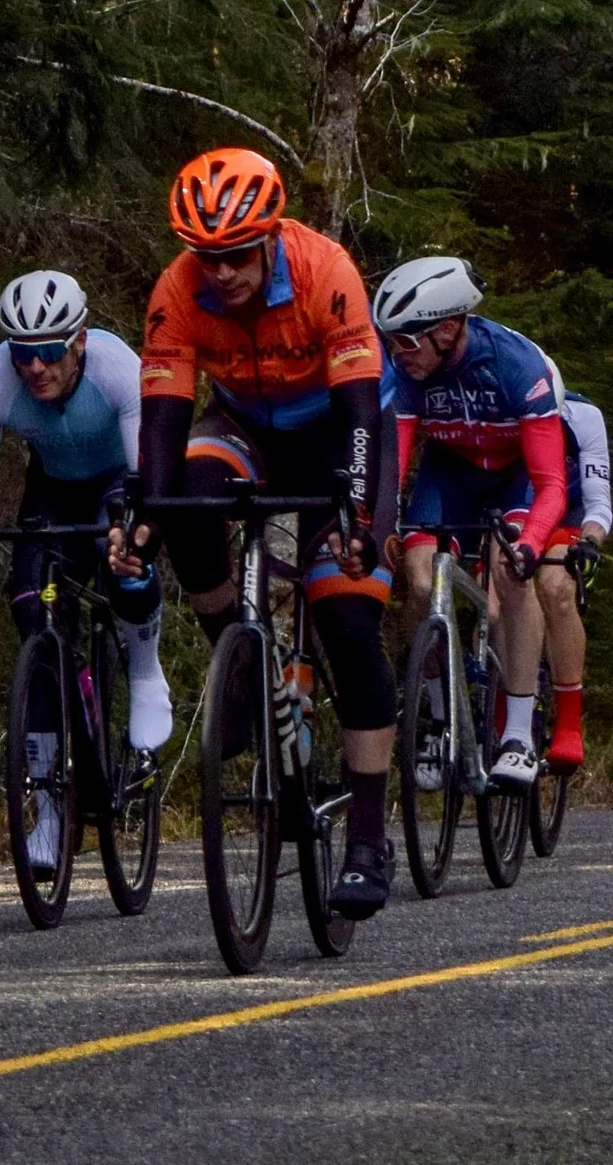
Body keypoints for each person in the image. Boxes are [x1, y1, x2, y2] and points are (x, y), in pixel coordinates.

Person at [112, 148, 399, 919]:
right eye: (207, 256)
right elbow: (164, 419)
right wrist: (147, 522)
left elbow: (361, 411)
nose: (222, 272)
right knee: (187, 506)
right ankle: (236, 665)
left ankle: (367, 841)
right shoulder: (178, 289)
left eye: (237, 255)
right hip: (244, 425)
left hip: (342, 434)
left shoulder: (324, 270)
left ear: (270, 236)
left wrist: (358, 516)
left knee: (348, 618)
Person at [0, 271, 168, 872]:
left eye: (50, 351)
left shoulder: (118, 368)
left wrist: (136, 535)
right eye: (22, 353)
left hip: (118, 483)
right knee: (35, 617)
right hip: (52, 491)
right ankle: (51, 813)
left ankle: (144, 673)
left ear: (79, 340)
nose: (34, 367)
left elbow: (147, 478)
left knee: (124, 560)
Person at [375, 257, 568, 787]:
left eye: (406, 341)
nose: (397, 354)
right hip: (450, 475)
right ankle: (439, 718)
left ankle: (519, 735)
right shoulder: (406, 374)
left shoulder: (516, 365)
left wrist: (530, 545)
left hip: (516, 478)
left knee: (511, 575)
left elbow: (552, 482)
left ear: (446, 329)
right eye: (390, 342)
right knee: (419, 578)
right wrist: (379, 524)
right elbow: (394, 465)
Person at [538, 363, 613, 772]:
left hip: (565, 515)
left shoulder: (583, 416)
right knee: (493, 597)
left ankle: (568, 723)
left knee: (556, 588)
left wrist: (590, 540)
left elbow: (598, 501)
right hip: (515, 510)